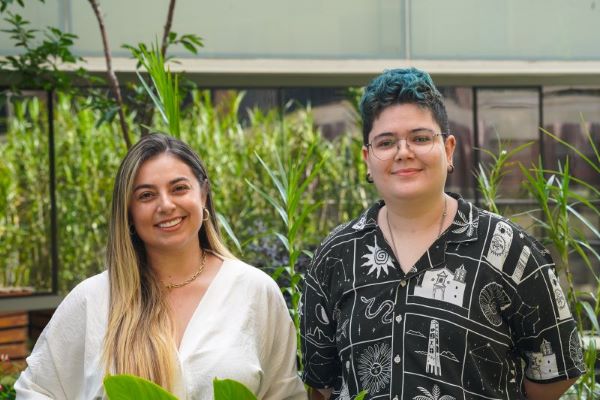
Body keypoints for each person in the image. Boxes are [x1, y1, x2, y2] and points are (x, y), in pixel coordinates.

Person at [300, 68, 584, 400]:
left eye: (420, 138)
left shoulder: (509, 250)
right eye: (386, 142)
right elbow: (320, 384)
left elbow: (554, 373)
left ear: (448, 150)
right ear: (367, 158)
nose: (403, 152)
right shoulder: (336, 255)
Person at [16, 133, 307, 399]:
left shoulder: (254, 291)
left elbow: (285, 394)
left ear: (203, 195)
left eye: (179, 188)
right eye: (146, 195)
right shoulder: (93, 299)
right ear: (128, 212)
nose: (165, 205)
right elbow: (36, 390)